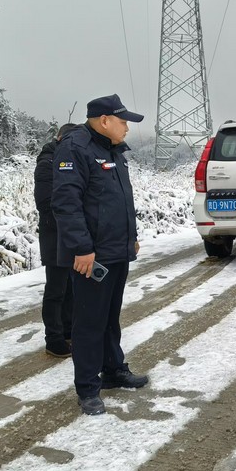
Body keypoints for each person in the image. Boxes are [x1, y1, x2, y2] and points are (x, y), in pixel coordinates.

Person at [52, 94, 148, 416]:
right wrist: (81, 248)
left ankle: (113, 370)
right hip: (92, 256)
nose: (127, 129)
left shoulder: (114, 150)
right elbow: (66, 203)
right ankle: (88, 387)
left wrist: (131, 238)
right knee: (89, 323)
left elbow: (121, 199)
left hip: (116, 250)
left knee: (110, 317)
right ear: (105, 121)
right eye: (124, 122)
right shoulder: (75, 148)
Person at [34, 123, 78, 358]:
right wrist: (66, 225)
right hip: (54, 236)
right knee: (56, 289)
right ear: (61, 138)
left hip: (70, 236)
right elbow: (45, 203)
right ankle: (53, 338)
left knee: (70, 286)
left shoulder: (69, 159)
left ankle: (68, 330)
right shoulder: (47, 162)